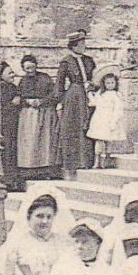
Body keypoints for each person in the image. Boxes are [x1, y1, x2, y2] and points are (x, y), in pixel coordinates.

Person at [13, 54, 61, 184]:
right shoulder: (22, 81)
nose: (30, 70)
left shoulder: (45, 78)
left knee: (45, 141)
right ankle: (29, 170)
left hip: (45, 112)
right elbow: (18, 96)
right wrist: (27, 101)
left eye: (32, 67)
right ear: (24, 69)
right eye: (27, 68)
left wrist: (43, 102)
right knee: (29, 141)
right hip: (28, 114)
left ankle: (46, 170)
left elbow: (54, 94)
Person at [56, 30, 97, 179]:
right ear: (73, 46)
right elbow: (59, 84)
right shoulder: (66, 61)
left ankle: (86, 161)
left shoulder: (89, 60)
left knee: (88, 126)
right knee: (72, 127)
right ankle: (71, 164)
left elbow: (96, 77)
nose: (83, 46)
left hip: (88, 96)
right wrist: (59, 102)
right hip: (73, 97)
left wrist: (93, 85)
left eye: (84, 43)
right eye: (81, 44)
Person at [86, 70, 127, 169]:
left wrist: (114, 121)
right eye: (108, 83)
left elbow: (118, 109)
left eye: (112, 82)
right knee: (99, 140)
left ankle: (106, 161)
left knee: (108, 141)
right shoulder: (100, 93)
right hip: (100, 118)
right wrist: (90, 94)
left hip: (109, 119)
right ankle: (97, 161)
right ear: (103, 84)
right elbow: (94, 103)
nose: (110, 85)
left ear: (116, 83)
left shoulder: (116, 95)